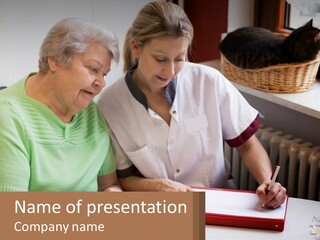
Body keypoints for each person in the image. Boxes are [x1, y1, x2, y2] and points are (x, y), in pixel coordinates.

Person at [97, 2, 286, 208]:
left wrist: (267, 181)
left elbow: (247, 144)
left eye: (179, 58)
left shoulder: (209, 81)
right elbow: (124, 178)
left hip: (219, 202)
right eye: (160, 59)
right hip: (160, 207)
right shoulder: (111, 105)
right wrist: (159, 187)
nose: (170, 71)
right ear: (136, 47)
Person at [0, 18, 122, 192]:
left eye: (105, 74)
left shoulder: (91, 113)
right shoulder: (8, 116)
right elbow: (11, 213)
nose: (101, 83)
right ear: (55, 60)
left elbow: (109, 185)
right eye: (93, 69)